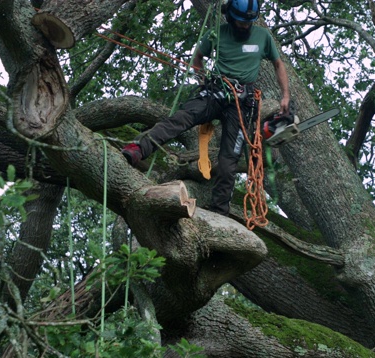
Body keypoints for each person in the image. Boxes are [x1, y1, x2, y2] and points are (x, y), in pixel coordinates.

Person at [122, 0, 290, 216]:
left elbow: (278, 64)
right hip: (215, 92)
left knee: (229, 159)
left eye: (248, 23)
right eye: (241, 23)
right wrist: (202, 79)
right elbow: (198, 58)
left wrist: (285, 95)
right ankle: (138, 149)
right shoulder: (217, 34)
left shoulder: (263, 37)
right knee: (181, 119)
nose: (245, 27)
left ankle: (220, 211)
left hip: (242, 103)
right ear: (230, 17)